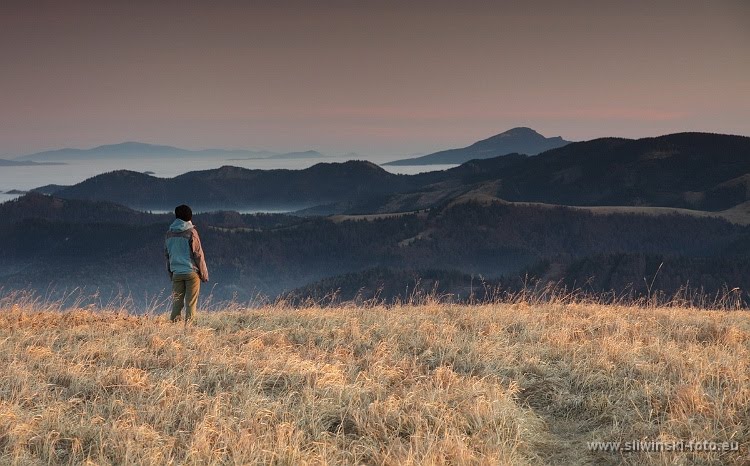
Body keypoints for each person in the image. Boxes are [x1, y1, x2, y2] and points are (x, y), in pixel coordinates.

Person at [165, 204, 209, 323]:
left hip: (176, 274)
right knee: (190, 303)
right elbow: (198, 255)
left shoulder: (169, 234)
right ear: (189, 217)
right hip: (191, 273)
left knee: (176, 303)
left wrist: (171, 274)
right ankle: (189, 330)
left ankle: (174, 327)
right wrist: (204, 274)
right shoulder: (191, 232)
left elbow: (168, 256)